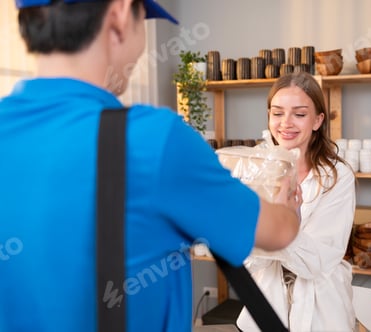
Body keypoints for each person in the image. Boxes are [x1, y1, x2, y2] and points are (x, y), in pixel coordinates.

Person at [0, 1, 301, 331]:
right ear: (118, 14)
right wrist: (288, 206)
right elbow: (278, 231)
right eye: (143, 21)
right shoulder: (153, 139)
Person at [237, 71, 357, 331]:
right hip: (262, 313)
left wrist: (282, 227)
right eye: (277, 113)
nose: (286, 123)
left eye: (299, 114)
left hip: (323, 317)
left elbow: (317, 263)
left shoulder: (338, 177)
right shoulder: (252, 167)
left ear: (317, 120)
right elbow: (245, 257)